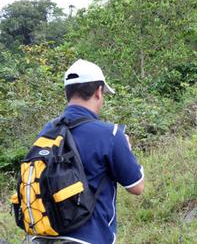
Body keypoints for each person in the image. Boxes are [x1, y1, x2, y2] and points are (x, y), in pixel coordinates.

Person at [31, 59, 144, 244]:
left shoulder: (48, 130)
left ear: (67, 93)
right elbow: (136, 187)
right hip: (89, 238)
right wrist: (128, 150)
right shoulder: (110, 133)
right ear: (99, 92)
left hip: (42, 237)